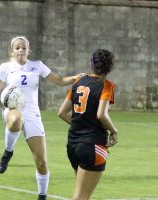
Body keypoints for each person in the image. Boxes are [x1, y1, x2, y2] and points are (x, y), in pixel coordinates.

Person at [0, 36, 84, 200]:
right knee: (15, 120)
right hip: (13, 109)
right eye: (17, 48)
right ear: (11, 51)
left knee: (42, 163)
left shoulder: (37, 66)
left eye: (24, 48)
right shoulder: (6, 68)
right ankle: (8, 152)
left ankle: (42, 196)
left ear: (29, 50)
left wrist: (75, 78)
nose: (21, 50)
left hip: (33, 113)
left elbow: (60, 81)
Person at [58, 49, 118, 200]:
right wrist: (114, 131)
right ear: (110, 67)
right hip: (93, 146)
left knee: (81, 195)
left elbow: (62, 113)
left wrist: (81, 125)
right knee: (81, 198)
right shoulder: (106, 86)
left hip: (72, 145)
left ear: (91, 64)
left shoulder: (79, 82)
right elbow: (101, 114)